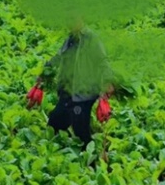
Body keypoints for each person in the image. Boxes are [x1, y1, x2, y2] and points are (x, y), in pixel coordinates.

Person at [28, 16, 114, 148]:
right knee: (55, 122)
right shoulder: (70, 39)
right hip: (68, 89)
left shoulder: (92, 39)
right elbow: (58, 57)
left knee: (80, 129)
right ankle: (61, 152)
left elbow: (102, 61)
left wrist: (108, 82)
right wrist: (44, 73)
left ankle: (92, 161)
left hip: (84, 92)